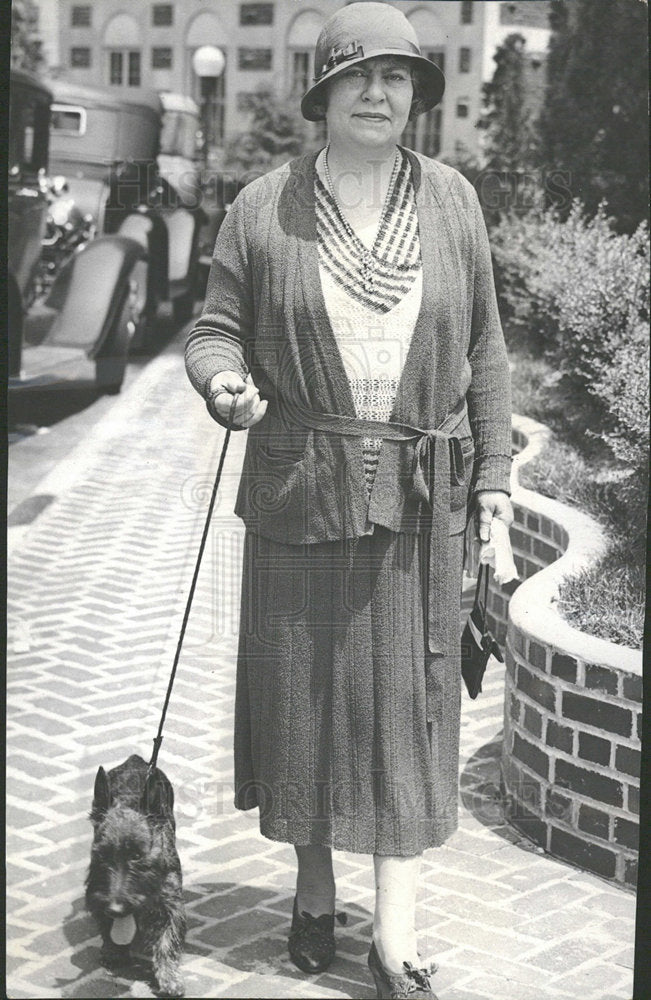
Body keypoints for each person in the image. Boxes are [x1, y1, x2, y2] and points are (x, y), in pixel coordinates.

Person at [185, 4, 513, 997]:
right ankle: (316, 889)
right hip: (300, 487)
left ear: (417, 96)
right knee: (309, 704)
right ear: (322, 92)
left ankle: (397, 936)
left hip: (417, 501)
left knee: (404, 712)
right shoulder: (262, 208)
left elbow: (487, 352)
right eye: (360, 75)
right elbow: (214, 329)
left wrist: (493, 484)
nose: (381, 93)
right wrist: (224, 382)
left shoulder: (453, 201)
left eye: (399, 78)